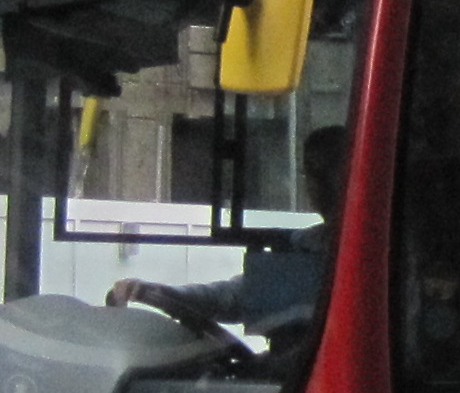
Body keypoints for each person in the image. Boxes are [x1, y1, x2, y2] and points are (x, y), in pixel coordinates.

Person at [109, 127, 347, 359]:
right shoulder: (300, 247)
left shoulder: (368, 256)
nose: (320, 182)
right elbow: (227, 298)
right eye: (313, 171)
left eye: (328, 170)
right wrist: (155, 292)